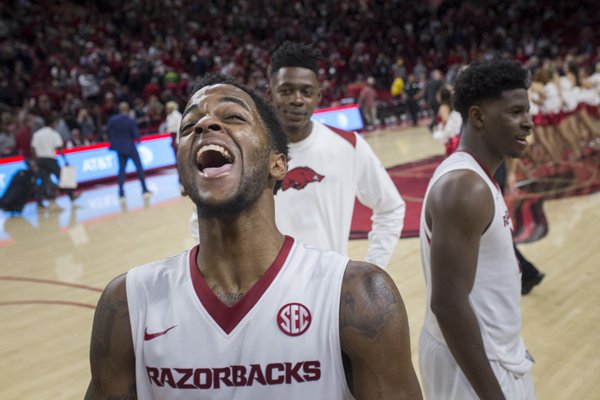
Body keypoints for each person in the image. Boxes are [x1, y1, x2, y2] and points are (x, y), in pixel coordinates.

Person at [85, 74, 422, 399]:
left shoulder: (359, 297)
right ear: (184, 179)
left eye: (233, 116)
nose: (205, 125)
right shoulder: (128, 302)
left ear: (278, 165)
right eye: (189, 126)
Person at [419, 59, 536, 399]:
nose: (528, 123)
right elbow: (448, 305)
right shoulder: (464, 189)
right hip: (472, 366)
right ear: (478, 117)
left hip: (489, 353)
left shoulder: (475, 177)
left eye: (527, 111)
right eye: (515, 112)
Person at [266, 41, 405, 269]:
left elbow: (391, 207)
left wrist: (373, 269)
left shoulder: (348, 145)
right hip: (267, 294)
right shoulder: (248, 152)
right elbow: (205, 221)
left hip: (329, 290)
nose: (297, 99)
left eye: (306, 92)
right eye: (286, 91)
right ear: (270, 95)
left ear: (318, 96)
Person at [30, 112, 80, 208]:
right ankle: (71, 196)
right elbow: (59, 148)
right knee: (63, 178)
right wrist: (64, 159)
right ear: (52, 123)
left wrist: (35, 160)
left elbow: (33, 148)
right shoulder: (54, 134)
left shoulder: (37, 134)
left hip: (40, 160)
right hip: (50, 159)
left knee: (42, 180)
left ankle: (39, 201)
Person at [106, 101, 151, 201]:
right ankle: (144, 190)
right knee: (139, 168)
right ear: (127, 109)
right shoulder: (130, 120)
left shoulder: (113, 119)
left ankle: (121, 193)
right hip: (130, 147)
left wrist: (114, 140)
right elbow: (136, 135)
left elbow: (107, 130)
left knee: (121, 170)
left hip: (119, 148)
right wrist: (138, 139)